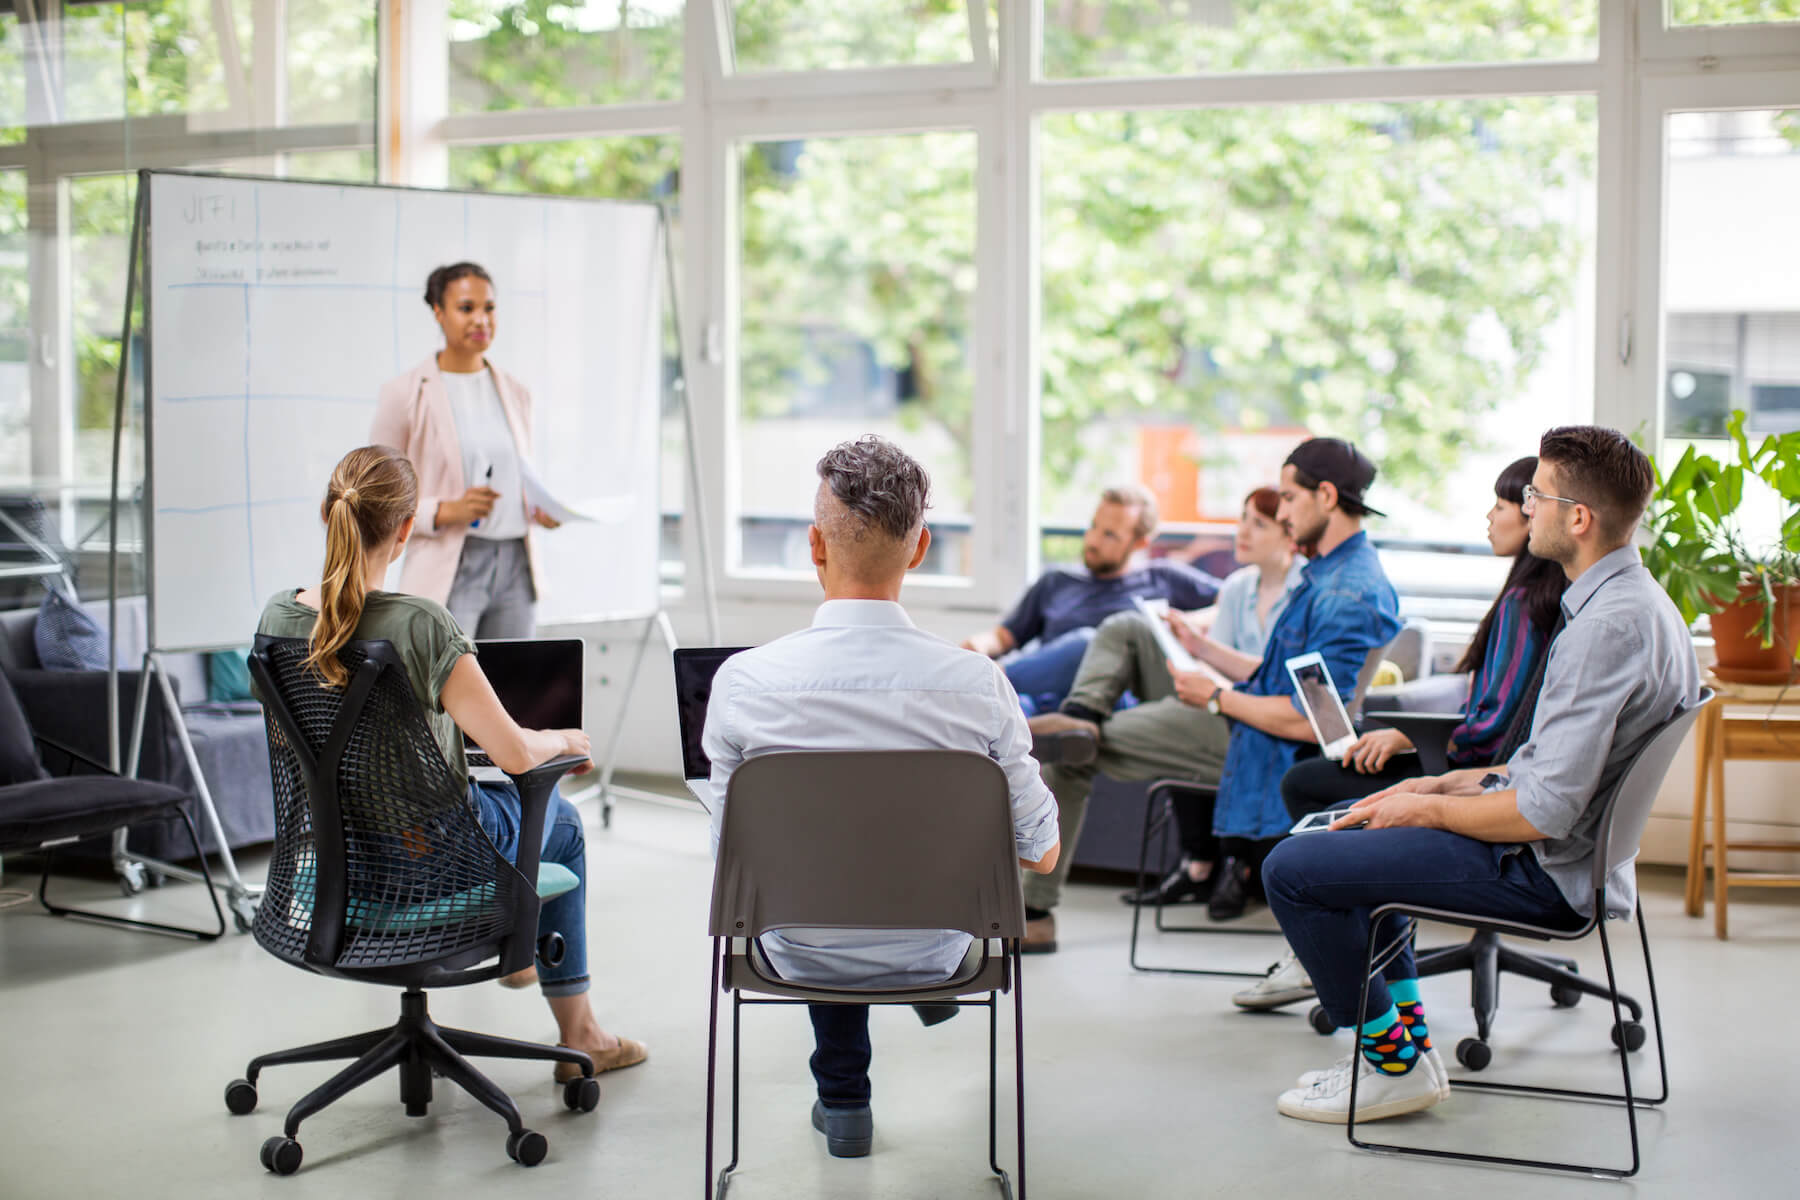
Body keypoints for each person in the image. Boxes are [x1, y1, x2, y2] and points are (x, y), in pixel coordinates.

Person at [1261, 425, 1701, 1126]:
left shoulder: (1605, 628)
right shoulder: (1632, 604)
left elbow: (1541, 813)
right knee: (1361, 841)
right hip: (1563, 856)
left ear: (1577, 518)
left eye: (1536, 495)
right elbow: (1541, 769)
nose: (1526, 506)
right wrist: (1428, 787)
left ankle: (1391, 1068)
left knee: (1294, 870)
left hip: (1542, 871)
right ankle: (1407, 1059)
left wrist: (1422, 812)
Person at [691, 436, 1060, 1159]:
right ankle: (864, 1070)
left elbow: (733, 856)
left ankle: (843, 1099)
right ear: (920, 548)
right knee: (871, 876)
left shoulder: (743, 682)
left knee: (819, 886)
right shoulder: (977, 684)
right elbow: (1041, 852)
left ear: (814, 549)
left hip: (794, 946)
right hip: (938, 948)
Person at [255, 445, 646, 1083]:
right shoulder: (421, 623)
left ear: (327, 513)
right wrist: (561, 739)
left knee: (513, 810)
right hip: (428, 859)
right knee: (565, 824)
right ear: (408, 529)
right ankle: (580, 1031)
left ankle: (525, 954)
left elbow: (290, 743)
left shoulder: (278, 616)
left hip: (337, 859)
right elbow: (514, 753)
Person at [1021, 438, 1400, 950]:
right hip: (1247, 710)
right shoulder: (1327, 574)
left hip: (1265, 743)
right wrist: (1204, 649)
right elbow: (1284, 676)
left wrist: (1217, 698)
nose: (1283, 514)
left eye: (1287, 499)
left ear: (1326, 497)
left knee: (1069, 758)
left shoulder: (1344, 593)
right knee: (1126, 628)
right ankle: (1080, 716)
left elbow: (1312, 722)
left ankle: (1035, 910)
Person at [1231, 456, 1568, 1012]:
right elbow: (1494, 702)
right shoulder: (1540, 595)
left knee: (1311, 792)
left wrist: (1417, 746)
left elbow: (1494, 725)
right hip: (1490, 768)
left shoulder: (1525, 604)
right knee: (1320, 784)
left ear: (1535, 516)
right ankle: (1365, 962)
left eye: (1503, 505)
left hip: (1480, 775)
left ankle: (1341, 955)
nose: (1489, 517)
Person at [370, 262, 560, 638]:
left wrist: (539, 509)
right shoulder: (404, 393)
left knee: (514, 689)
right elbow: (375, 496)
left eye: (489, 308)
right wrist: (444, 510)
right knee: (443, 690)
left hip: (516, 566)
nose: (481, 320)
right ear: (439, 312)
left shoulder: (516, 392)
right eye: (466, 308)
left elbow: (518, 474)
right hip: (449, 563)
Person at [962, 485, 1219, 716]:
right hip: (1044, 697)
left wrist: (1188, 622)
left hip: (1116, 699)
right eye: (1093, 526)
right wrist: (977, 645)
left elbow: (1230, 599)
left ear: (1139, 543)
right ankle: (993, 688)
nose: (1093, 540)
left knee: (1094, 642)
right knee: (1000, 715)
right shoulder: (1057, 581)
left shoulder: (1163, 578)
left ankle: (988, 681)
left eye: (1109, 535)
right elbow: (1005, 636)